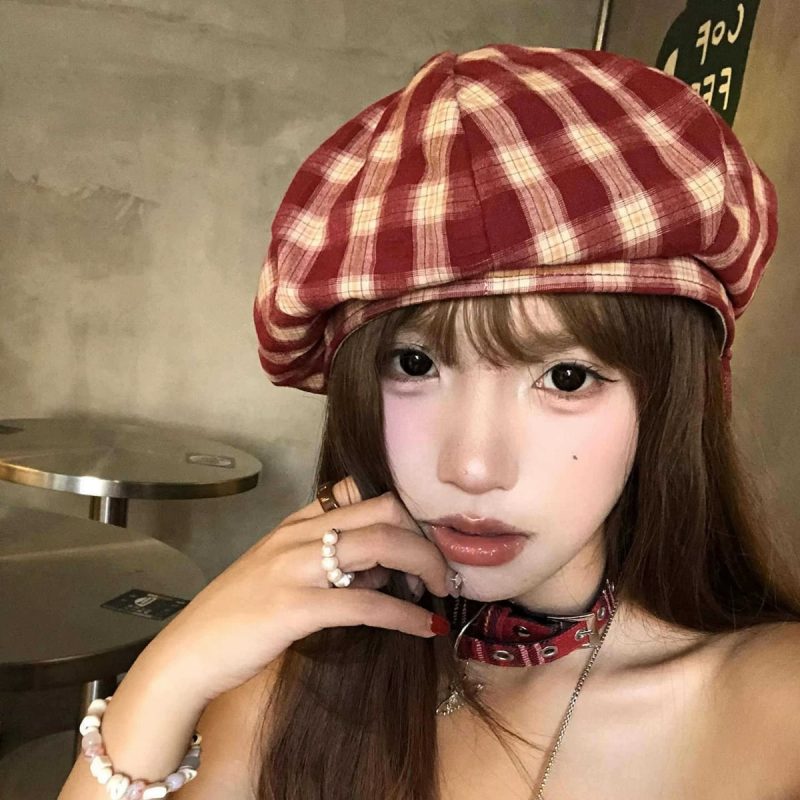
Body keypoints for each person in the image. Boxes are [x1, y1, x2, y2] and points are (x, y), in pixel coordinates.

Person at [58, 44, 800, 800]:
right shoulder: (303, 678)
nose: (472, 468)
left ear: (669, 402)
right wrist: (174, 668)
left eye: (566, 377)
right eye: (415, 365)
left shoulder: (774, 711)